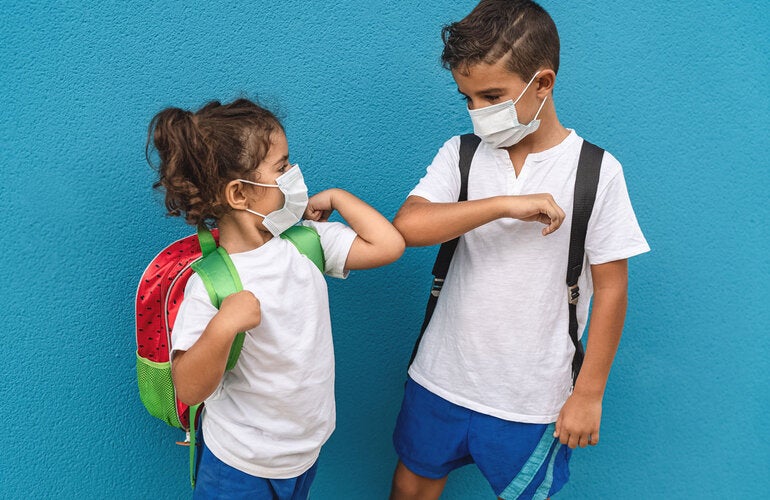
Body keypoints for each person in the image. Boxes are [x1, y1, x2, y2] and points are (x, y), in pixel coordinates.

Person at [389, 1, 650, 499]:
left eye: (492, 96)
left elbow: (614, 289)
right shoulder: (461, 154)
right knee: (412, 483)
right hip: (440, 377)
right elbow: (410, 226)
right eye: (467, 98)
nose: (478, 113)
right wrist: (504, 204)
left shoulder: (596, 172)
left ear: (543, 83)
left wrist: (589, 394)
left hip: (533, 398)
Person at [146, 98, 404, 499]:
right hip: (239, 464)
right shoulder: (213, 284)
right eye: (282, 167)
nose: (293, 175)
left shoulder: (305, 243)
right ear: (239, 193)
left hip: (303, 454)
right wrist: (224, 325)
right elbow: (189, 389)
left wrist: (337, 197)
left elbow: (388, 246)